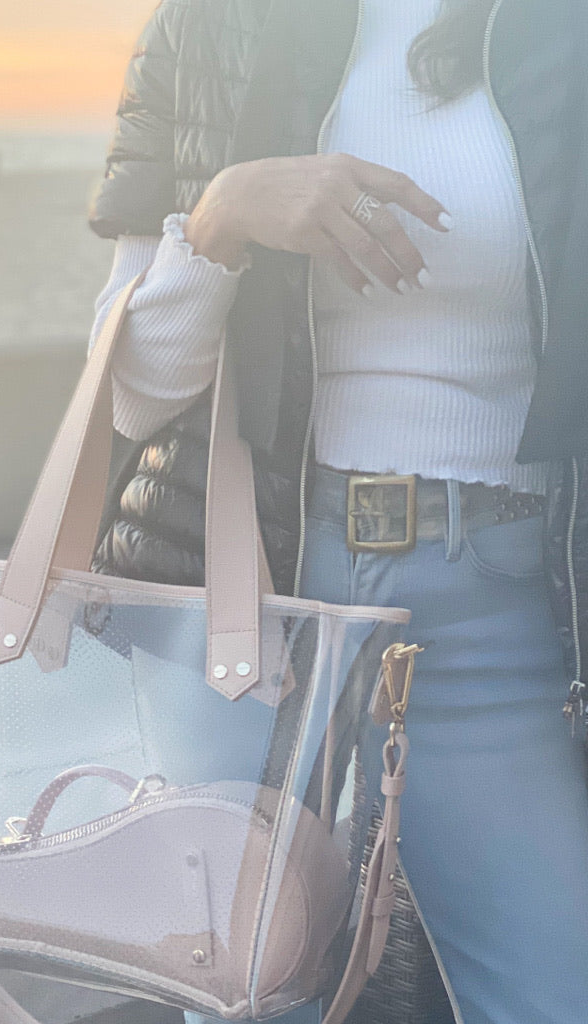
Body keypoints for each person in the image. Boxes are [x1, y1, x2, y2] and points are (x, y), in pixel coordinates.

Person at [86, 1, 588, 1022]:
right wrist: (224, 215)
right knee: (241, 997)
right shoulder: (213, 25)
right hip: (247, 585)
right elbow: (134, 393)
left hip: (493, 594)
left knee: (554, 990)